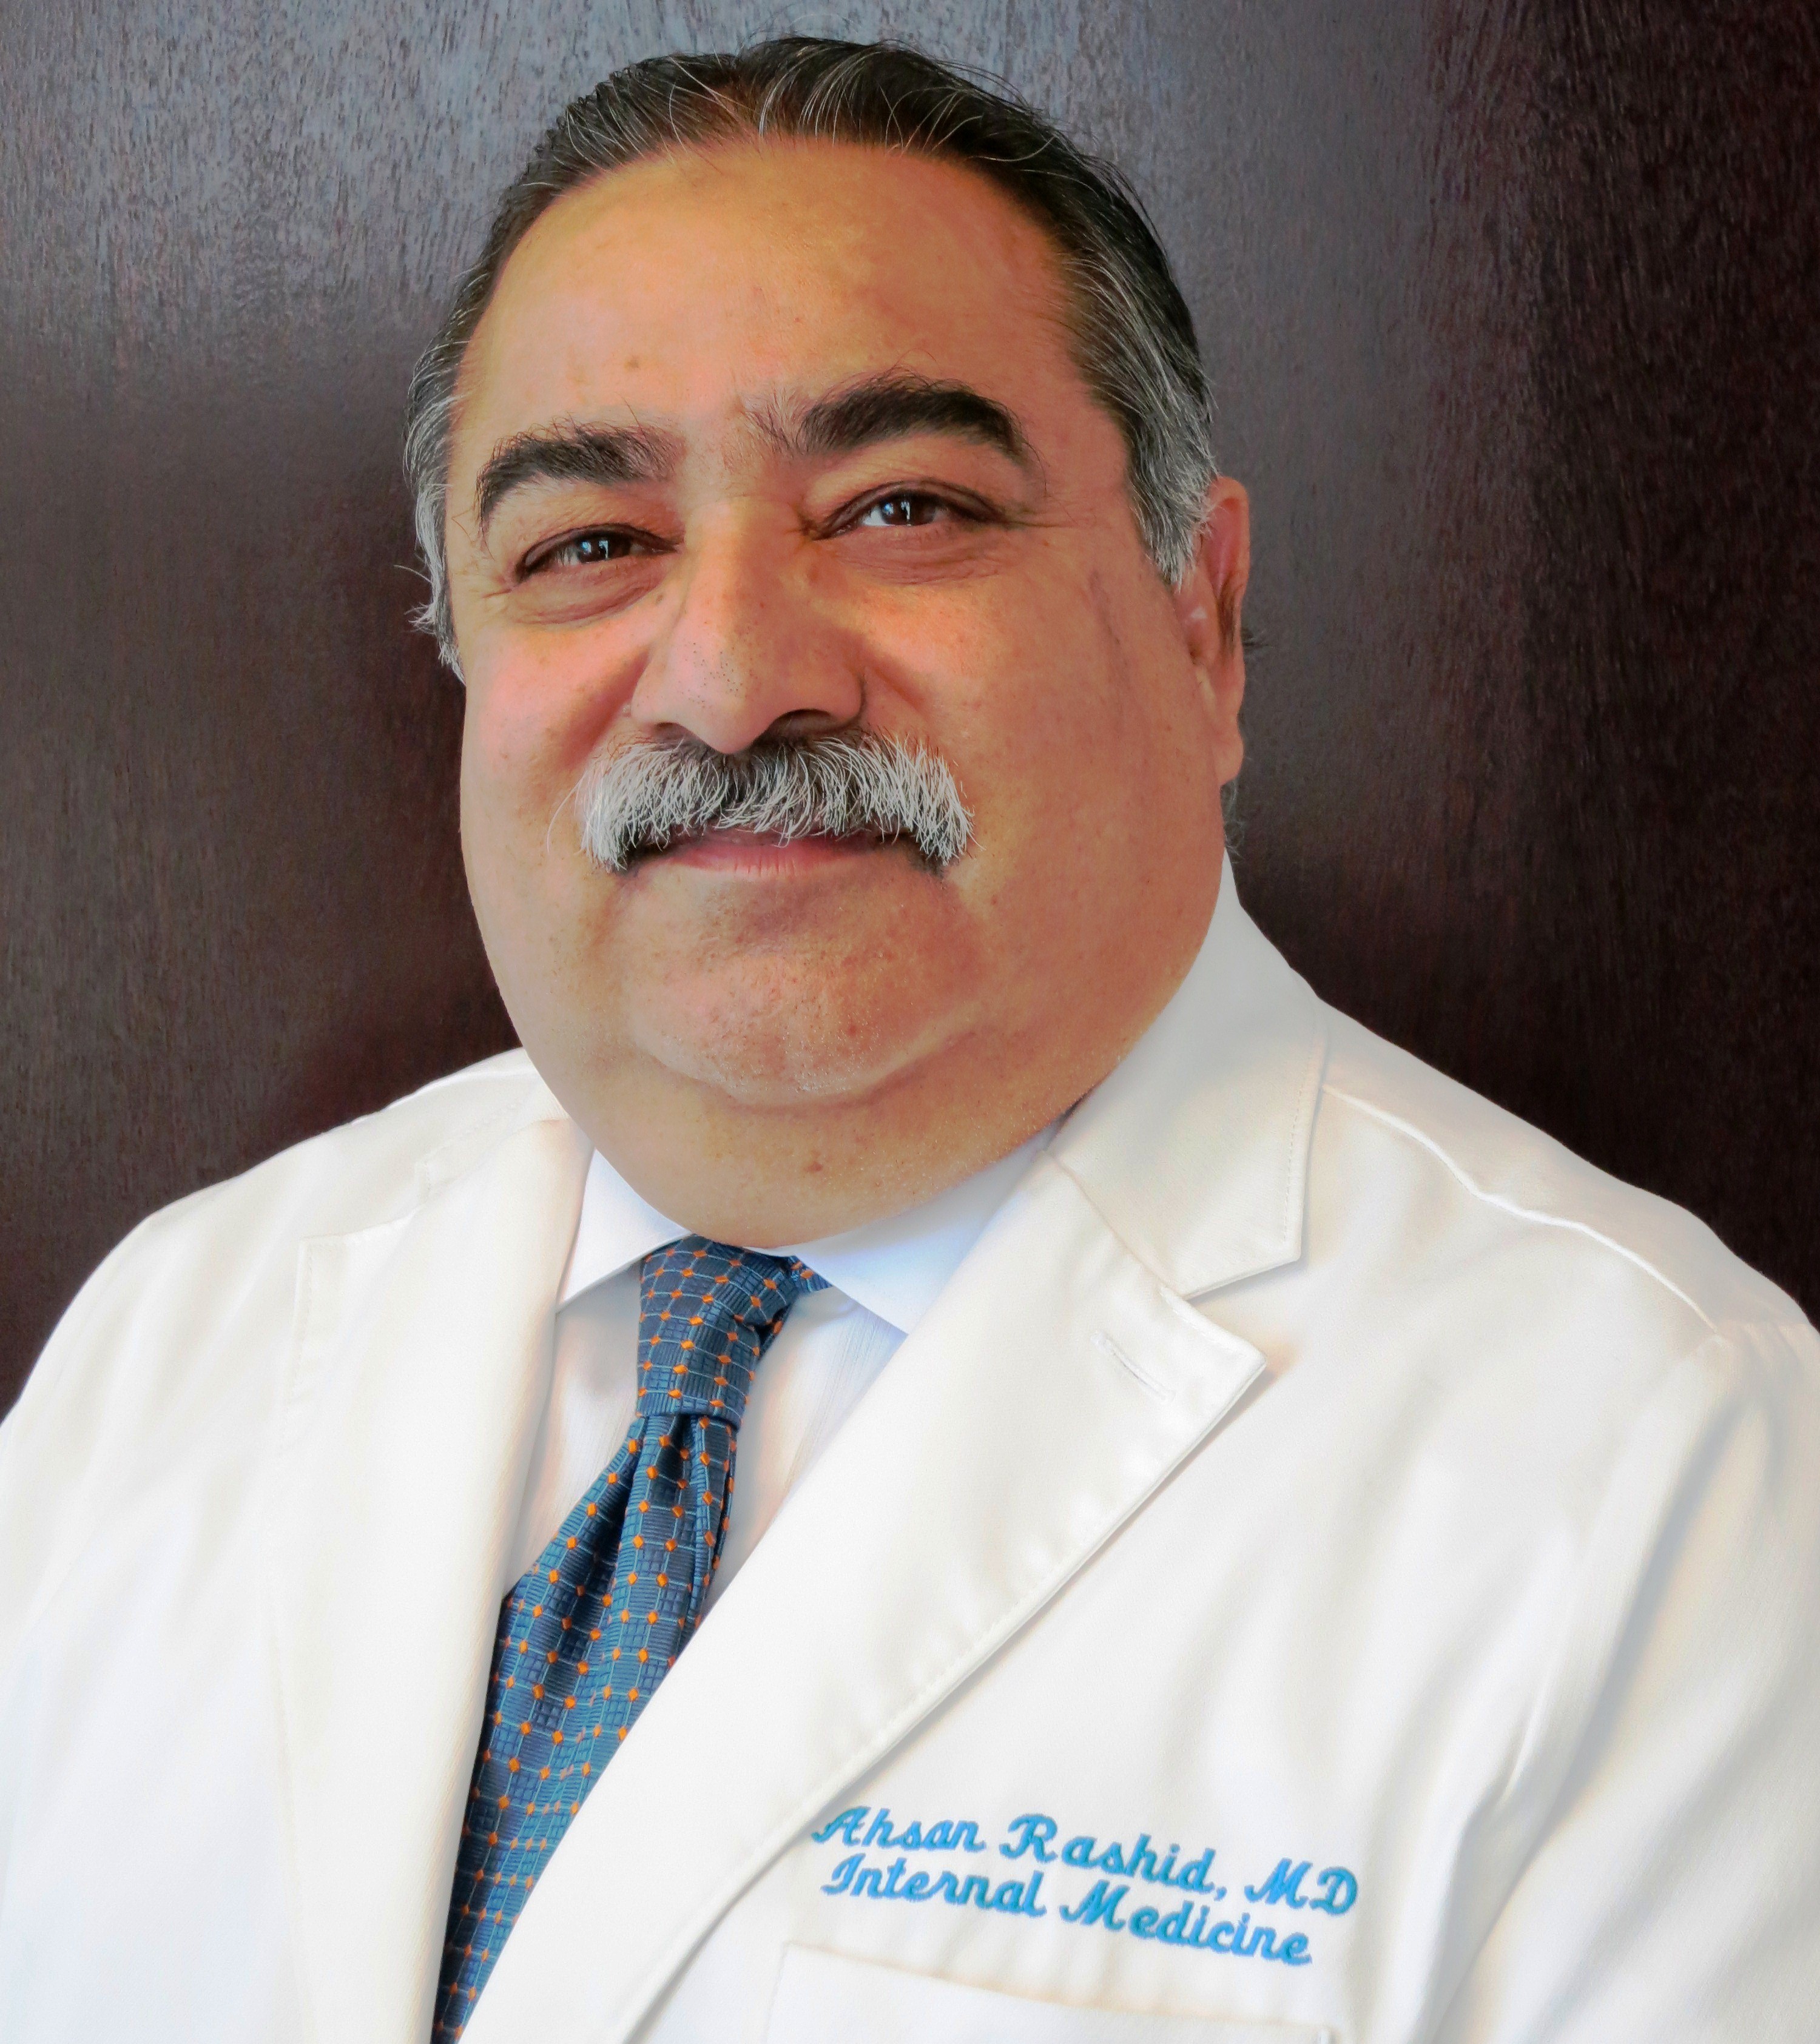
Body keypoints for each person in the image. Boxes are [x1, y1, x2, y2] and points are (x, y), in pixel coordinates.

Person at [1, 34, 1814, 2044]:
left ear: (1203, 620)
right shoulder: (168, 1350)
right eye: (590, 543)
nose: (730, 679)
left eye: (900, 507)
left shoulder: (1664, 1473)